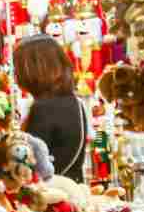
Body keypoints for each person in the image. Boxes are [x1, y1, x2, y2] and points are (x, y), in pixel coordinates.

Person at [14, 34, 88, 182]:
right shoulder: (73, 102)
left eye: (18, 67)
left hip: (50, 194)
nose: (16, 74)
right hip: (71, 187)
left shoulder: (44, 108)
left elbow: (30, 164)